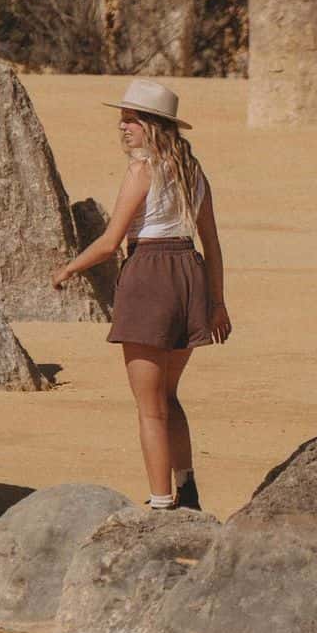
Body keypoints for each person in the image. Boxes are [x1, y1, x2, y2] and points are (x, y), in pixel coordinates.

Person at [51, 79, 231, 511]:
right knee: (168, 396)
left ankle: (160, 502)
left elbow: (111, 242)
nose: (123, 127)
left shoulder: (142, 169)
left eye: (131, 120)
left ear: (153, 125)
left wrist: (69, 268)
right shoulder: (192, 170)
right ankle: (186, 489)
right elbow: (212, 242)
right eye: (122, 119)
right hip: (189, 273)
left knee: (150, 407)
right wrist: (218, 302)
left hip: (150, 274)